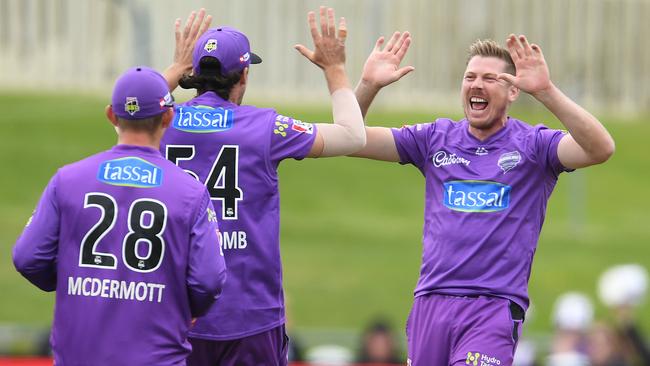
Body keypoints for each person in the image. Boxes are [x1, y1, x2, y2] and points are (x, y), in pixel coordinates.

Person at [352, 34, 615, 365]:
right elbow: (350, 138)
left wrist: (546, 92)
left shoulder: (534, 146)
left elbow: (601, 148)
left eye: (490, 78)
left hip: (493, 308)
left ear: (513, 90)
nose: (477, 85)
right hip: (431, 303)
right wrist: (368, 85)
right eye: (470, 77)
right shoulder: (434, 139)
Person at [160, 6, 365, 366]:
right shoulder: (265, 128)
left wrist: (175, 71)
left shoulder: (161, 122)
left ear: (195, 73)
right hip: (250, 316)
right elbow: (352, 136)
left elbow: (124, 114)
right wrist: (335, 70)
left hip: (175, 315)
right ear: (244, 75)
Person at [12, 65, 227, 365]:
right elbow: (208, 281)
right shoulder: (190, 193)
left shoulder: (68, 180)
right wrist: (187, 308)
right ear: (168, 117)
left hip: (79, 355)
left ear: (111, 115)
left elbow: (28, 257)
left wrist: (75, 281)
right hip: (156, 356)